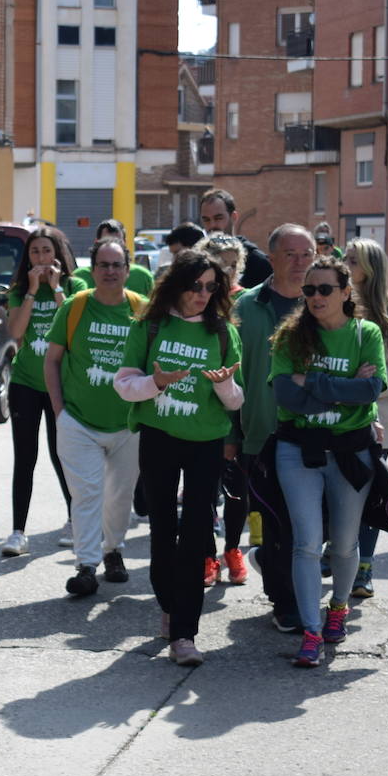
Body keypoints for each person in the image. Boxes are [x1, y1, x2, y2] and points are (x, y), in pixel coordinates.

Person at [115, 250, 242, 665]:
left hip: (205, 443)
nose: (203, 294)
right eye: (195, 286)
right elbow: (123, 385)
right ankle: (169, 606)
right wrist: (156, 381)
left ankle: (184, 633)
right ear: (177, 285)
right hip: (159, 439)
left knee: (197, 533)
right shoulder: (150, 326)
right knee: (163, 529)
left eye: (211, 287)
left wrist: (224, 387)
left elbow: (236, 398)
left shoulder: (222, 332)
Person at [269, 256, 386, 666]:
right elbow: (285, 396)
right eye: (309, 290)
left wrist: (314, 383)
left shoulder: (365, 333)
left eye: (324, 289)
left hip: (351, 451)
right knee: (305, 543)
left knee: (345, 542)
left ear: (344, 292)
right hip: (297, 449)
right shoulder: (289, 337)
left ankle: (338, 606)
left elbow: (371, 389)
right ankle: (311, 631)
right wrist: (343, 387)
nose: (315, 297)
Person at [43, 238, 142, 597]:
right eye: (104, 264)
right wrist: (59, 412)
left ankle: (113, 550)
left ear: (127, 270)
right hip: (79, 422)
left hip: (127, 425)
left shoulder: (141, 310)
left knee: (120, 496)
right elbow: (52, 360)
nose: (110, 271)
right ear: (93, 269)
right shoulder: (75, 307)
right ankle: (86, 565)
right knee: (86, 494)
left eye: (117, 265)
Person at [232, 224, 316, 632]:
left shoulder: (325, 302)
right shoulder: (247, 307)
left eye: (307, 254)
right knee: (280, 522)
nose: (300, 263)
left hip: (319, 432)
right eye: (291, 254)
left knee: (313, 523)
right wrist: (231, 436)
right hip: (262, 432)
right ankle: (284, 601)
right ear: (273, 257)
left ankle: (275, 569)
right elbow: (230, 375)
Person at [1, 226, 84, 557]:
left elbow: (75, 331)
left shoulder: (75, 287)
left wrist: (57, 288)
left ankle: (74, 520)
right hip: (25, 383)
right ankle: (18, 531)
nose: (40, 257)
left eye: (46, 251)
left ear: (58, 254)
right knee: (25, 458)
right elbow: (16, 331)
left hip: (60, 385)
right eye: (34, 252)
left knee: (62, 454)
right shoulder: (21, 289)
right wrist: (34, 290)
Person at [343, 239, 388, 598]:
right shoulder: (333, 304)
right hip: (335, 418)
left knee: (371, 494)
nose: (345, 263)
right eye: (344, 257)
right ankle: (338, 554)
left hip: (379, 421)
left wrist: (376, 383)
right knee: (339, 492)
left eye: (353, 260)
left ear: (371, 267)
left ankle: (364, 569)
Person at [201, 233, 251, 587]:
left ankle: (232, 548)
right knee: (203, 489)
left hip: (240, 408)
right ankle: (206, 553)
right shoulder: (198, 301)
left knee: (238, 490)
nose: (229, 271)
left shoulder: (248, 302)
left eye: (234, 264)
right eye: (222, 264)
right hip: (202, 410)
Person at [199, 188, 271, 288]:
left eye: (218, 218)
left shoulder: (257, 262)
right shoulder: (199, 259)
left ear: (234, 217)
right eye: (206, 220)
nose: (212, 225)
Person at [71, 219, 156, 296]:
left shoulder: (142, 277)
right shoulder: (79, 277)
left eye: (117, 241)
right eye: (106, 241)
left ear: (125, 243)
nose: (112, 246)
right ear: (96, 243)